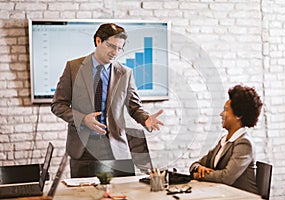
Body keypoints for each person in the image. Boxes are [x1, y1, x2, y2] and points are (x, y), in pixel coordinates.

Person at [51, 23, 164, 178]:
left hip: (116, 147)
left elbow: (134, 107)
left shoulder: (125, 73)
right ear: (98, 41)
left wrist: (145, 120)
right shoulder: (73, 67)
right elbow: (58, 105)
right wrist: (82, 119)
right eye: (111, 46)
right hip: (83, 148)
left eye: (119, 48)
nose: (115, 52)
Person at [189, 85, 263, 194]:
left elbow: (226, 177)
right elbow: (196, 164)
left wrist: (198, 176)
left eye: (226, 110)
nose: (221, 114)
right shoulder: (224, 141)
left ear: (239, 115)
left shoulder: (244, 144)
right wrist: (198, 169)